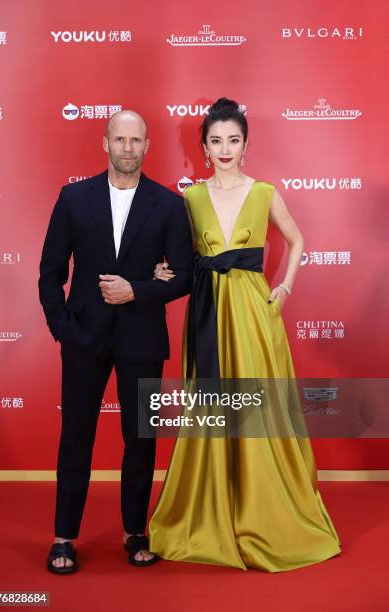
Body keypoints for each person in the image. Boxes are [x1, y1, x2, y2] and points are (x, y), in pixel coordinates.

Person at [149, 98, 341, 571]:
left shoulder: (265, 191)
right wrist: (163, 269)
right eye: (216, 140)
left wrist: (286, 285)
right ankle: (209, 509)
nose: (225, 148)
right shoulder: (190, 198)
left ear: (246, 143)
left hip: (254, 312)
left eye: (233, 140)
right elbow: (179, 256)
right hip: (209, 312)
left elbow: (296, 239)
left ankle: (265, 509)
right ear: (204, 146)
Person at [38, 110, 193, 572]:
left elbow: (185, 275)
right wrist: (63, 328)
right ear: (105, 143)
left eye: (136, 140)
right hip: (83, 337)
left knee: (140, 440)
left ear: (147, 146)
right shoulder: (73, 198)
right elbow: (50, 273)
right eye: (120, 139)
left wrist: (138, 290)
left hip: (142, 338)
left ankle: (135, 531)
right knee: (75, 438)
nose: (128, 148)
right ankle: (64, 536)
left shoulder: (168, 205)